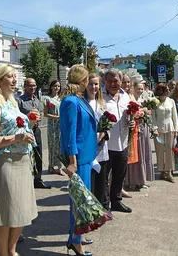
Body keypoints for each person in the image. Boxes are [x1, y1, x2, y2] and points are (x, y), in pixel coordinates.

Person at [0, 64, 38, 256]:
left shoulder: (12, 103)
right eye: (10, 77)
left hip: (21, 162)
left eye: (15, 77)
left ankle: (12, 250)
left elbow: (14, 129)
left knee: (20, 211)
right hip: (4, 162)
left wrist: (29, 125)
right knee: (5, 213)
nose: (15, 80)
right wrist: (16, 138)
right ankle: (3, 253)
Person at [60, 64, 97, 256]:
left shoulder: (78, 99)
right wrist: (72, 161)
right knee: (78, 201)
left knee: (82, 199)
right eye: (87, 79)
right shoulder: (70, 102)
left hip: (86, 156)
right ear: (82, 80)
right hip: (79, 158)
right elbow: (70, 134)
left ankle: (76, 236)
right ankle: (76, 242)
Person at [103, 69, 135, 213]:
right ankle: (104, 204)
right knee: (104, 176)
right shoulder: (100, 97)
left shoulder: (125, 96)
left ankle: (116, 201)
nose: (112, 84)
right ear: (105, 81)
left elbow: (129, 115)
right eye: (109, 81)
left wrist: (133, 122)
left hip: (123, 142)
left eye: (116, 81)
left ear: (121, 82)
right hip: (106, 144)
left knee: (119, 174)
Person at [18, 78, 51, 189]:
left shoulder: (37, 100)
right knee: (25, 155)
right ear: (25, 86)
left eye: (34, 85)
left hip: (36, 130)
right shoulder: (20, 101)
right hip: (25, 131)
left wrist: (38, 118)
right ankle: (25, 178)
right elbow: (17, 118)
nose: (32, 88)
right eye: (30, 85)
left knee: (38, 154)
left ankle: (38, 179)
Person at [84, 73, 109, 206]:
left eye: (96, 84)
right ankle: (89, 211)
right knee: (89, 182)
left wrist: (104, 133)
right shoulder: (82, 103)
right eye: (90, 84)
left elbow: (108, 122)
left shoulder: (102, 103)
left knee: (101, 181)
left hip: (101, 148)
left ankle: (100, 210)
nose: (93, 87)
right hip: (87, 148)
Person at [151, 83, 178, 183]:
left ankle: (169, 172)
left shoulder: (171, 101)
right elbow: (153, 117)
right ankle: (162, 171)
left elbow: (174, 116)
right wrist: (154, 128)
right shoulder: (154, 101)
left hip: (170, 128)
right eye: (166, 90)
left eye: (168, 90)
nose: (168, 91)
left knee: (169, 151)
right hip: (158, 130)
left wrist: (176, 129)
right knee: (159, 151)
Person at [43, 80, 65, 176]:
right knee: (52, 145)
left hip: (60, 125)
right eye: (55, 86)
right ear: (51, 87)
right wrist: (56, 117)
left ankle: (59, 167)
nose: (57, 88)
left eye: (58, 86)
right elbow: (45, 113)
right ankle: (51, 166)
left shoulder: (61, 99)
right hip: (52, 125)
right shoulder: (47, 99)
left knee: (59, 145)